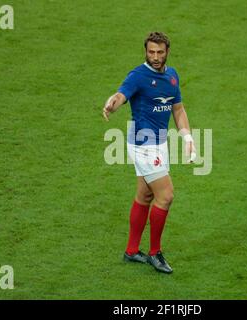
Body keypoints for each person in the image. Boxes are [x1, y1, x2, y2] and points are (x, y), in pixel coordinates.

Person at [102, 32, 196, 274]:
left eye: (160, 52)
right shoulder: (138, 76)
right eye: (151, 52)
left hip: (160, 143)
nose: (155, 57)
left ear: (167, 52)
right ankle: (155, 253)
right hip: (143, 145)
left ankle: (132, 251)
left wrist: (187, 137)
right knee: (166, 196)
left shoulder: (172, 76)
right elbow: (122, 94)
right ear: (146, 51)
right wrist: (113, 102)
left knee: (145, 196)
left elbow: (178, 109)